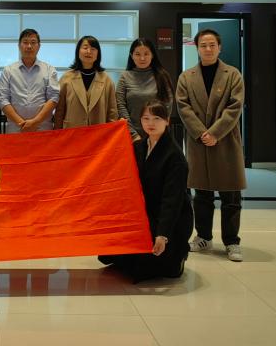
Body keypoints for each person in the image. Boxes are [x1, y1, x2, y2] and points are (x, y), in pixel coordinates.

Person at [99, 101, 193, 281]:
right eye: (146, 118)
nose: (151, 123)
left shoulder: (175, 157)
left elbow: (172, 201)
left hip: (169, 218)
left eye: (157, 118)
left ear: (167, 121)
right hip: (144, 211)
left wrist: (162, 235)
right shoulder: (139, 147)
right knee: (118, 258)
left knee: (147, 267)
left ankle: (177, 254)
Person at [176, 28, 246, 262]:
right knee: (201, 194)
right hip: (199, 143)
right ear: (197, 48)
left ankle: (232, 241)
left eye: (212, 45)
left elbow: (235, 107)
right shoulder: (186, 77)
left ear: (219, 47)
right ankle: (203, 237)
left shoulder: (233, 74)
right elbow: (183, 107)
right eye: (203, 45)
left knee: (231, 196)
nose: (208, 49)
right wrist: (201, 133)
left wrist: (215, 133)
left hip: (225, 140)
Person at [0, 29, 59, 133]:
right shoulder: (8, 70)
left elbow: (53, 98)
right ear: (19, 46)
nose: (29, 46)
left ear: (39, 46)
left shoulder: (49, 70)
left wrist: (35, 122)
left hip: (42, 129)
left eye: (33, 42)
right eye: (25, 42)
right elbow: (3, 99)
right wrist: (22, 124)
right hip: (16, 130)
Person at [116, 38, 174, 142]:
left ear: (152, 55)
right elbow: (120, 106)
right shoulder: (125, 77)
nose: (142, 58)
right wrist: (133, 134)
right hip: (131, 136)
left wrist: (157, 133)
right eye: (137, 54)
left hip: (158, 135)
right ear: (131, 56)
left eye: (146, 54)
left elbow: (167, 105)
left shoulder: (162, 76)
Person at [54, 35, 118, 129]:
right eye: (85, 48)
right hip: (72, 132)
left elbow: (112, 112)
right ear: (78, 51)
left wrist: (111, 133)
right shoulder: (66, 78)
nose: (89, 51)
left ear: (98, 54)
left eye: (93, 49)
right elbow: (59, 110)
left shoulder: (106, 80)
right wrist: (57, 132)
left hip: (98, 133)